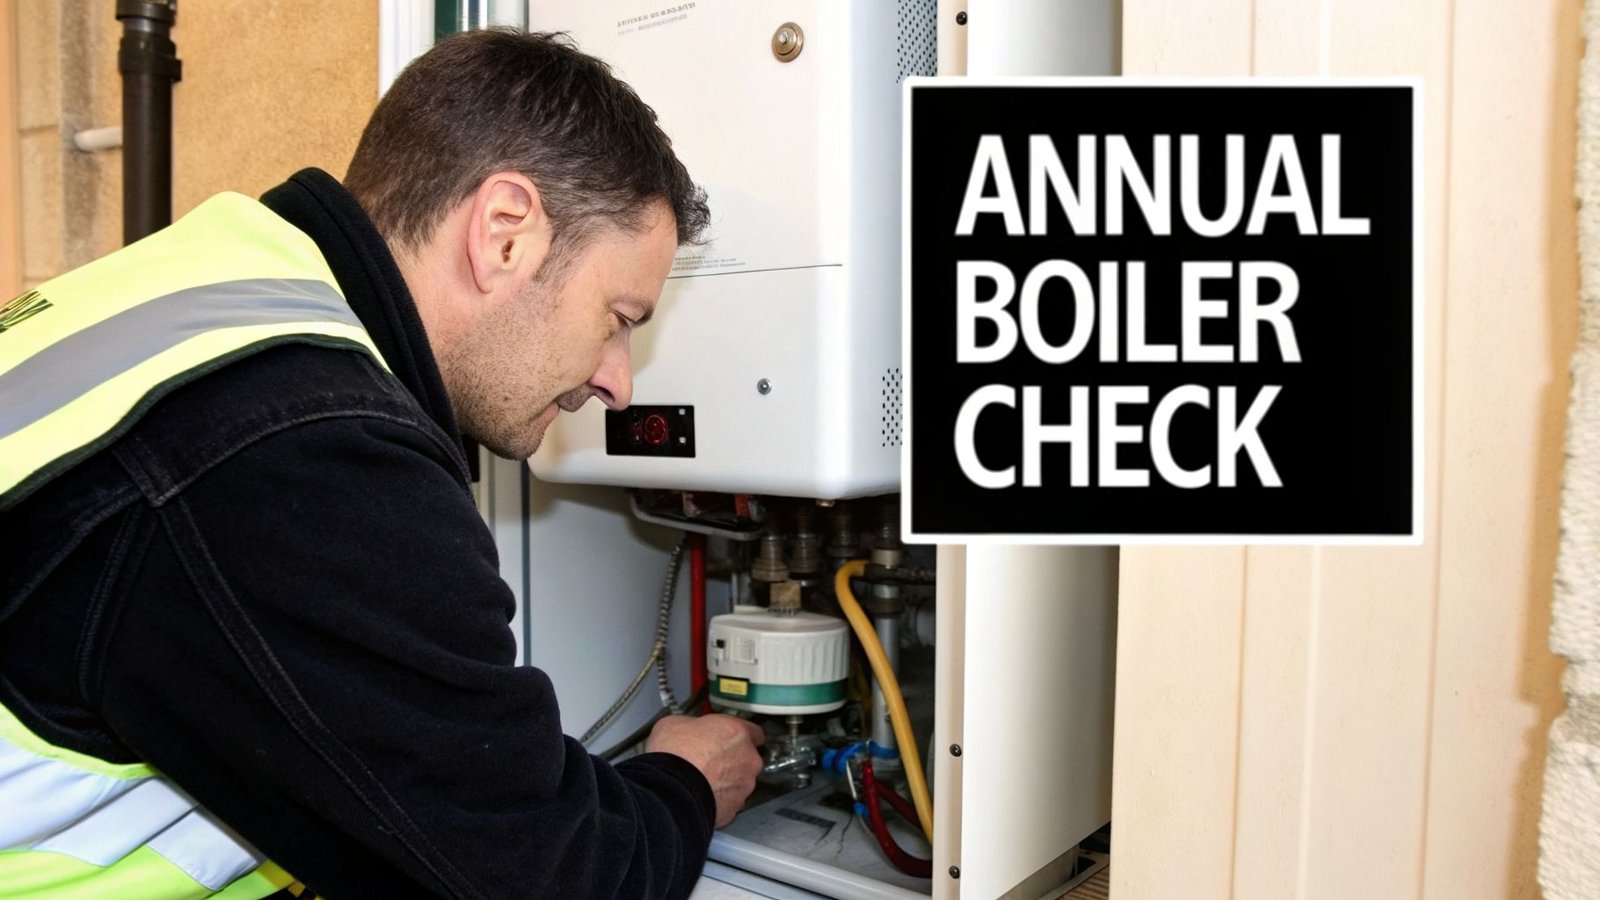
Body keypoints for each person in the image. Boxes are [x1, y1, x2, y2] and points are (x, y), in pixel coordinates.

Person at [0, 28, 765, 900]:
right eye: (619, 316)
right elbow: (549, 879)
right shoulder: (303, 449)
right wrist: (685, 785)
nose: (618, 383)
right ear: (505, 232)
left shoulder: (214, 294)